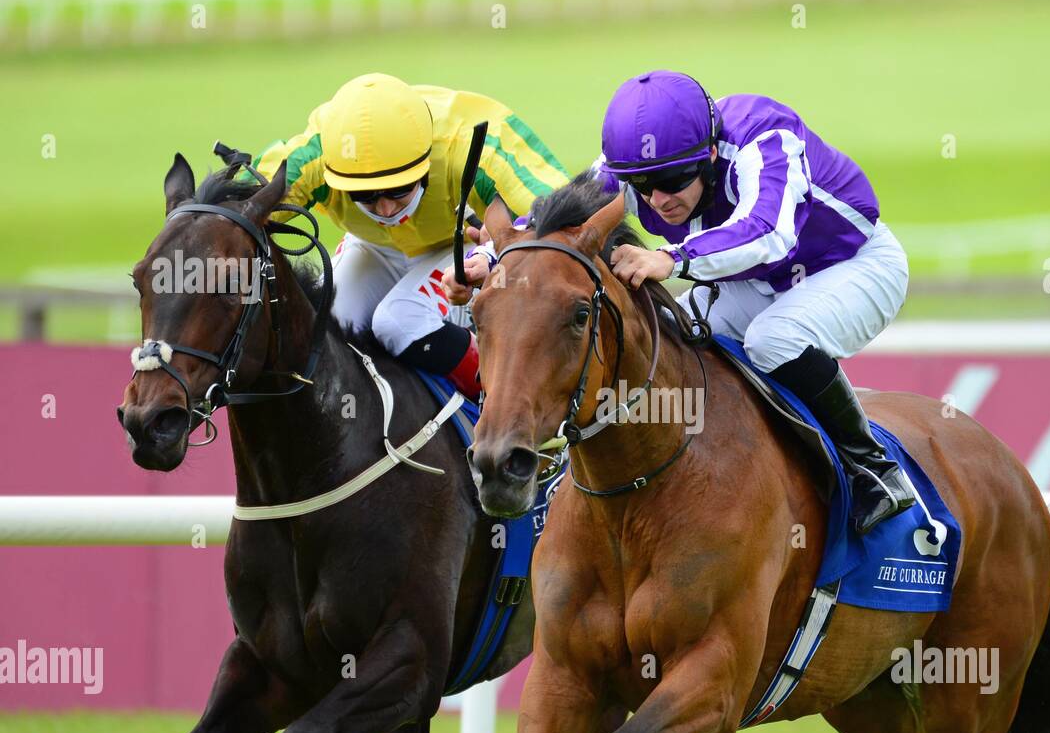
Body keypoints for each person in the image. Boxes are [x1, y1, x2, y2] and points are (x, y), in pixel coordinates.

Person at [592, 70, 914, 535]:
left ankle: (875, 472)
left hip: (855, 264)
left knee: (773, 338)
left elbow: (769, 234)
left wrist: (671, 256)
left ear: (706, 153)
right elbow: (565, 215)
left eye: (675, 179)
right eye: (642, 185)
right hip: (756, 280)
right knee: (672, 332)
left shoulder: (763, 135)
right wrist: (494, 256)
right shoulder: (641, 153)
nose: (659, 199)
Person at [248, 72, 568, 397]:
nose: (386, 210)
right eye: (365, 195)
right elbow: (242, 205)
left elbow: (565, 211)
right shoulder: (319, 155)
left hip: (459, 244)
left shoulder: (470, 141)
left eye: (399, 188)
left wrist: (493, 253)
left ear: (426, 166)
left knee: (399, 319)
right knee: (329, 325)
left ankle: (506, 401)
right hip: (373, 248)